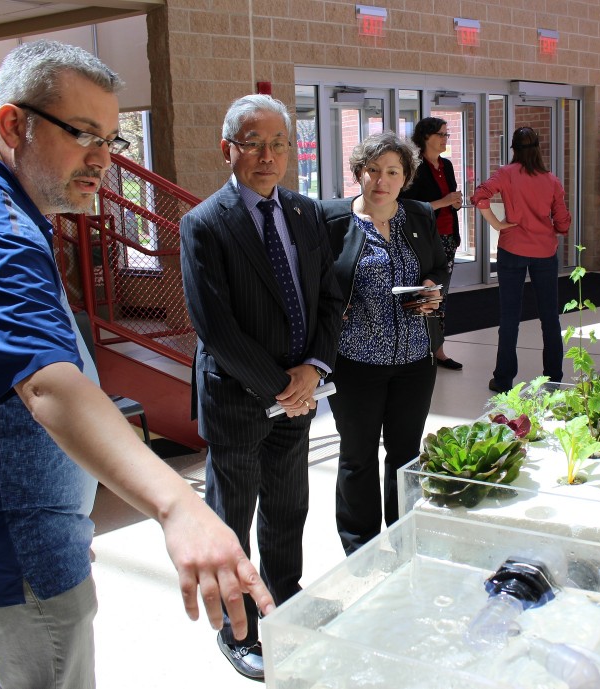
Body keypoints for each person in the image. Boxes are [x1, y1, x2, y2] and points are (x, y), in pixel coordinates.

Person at [0, 41, 275, 689]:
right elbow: (48, 383)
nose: (103, 159)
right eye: (83, 134)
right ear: (13, 124)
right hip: (13, 558)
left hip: (2, 539)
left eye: (112, 139)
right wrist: (174, 505)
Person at [179, 94, 343, 681]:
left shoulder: (305, 214)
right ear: (228, 149)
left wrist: (314, 369)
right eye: (253, 143)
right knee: (232, 518)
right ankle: (236, 626)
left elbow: (329, 298)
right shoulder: (205, 224)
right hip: (240, 400)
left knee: (287, 505)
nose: (268, 156)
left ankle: (287, 597)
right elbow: (215, 326)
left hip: (297, 396)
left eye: (279, 144)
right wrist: (283, 387)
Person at [319, 132, 448, 555]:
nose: (381, 180)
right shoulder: (332, 221)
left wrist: (431, 287)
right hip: (356, 362)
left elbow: (437, 266)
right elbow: (315, 280)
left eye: (392, 171)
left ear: (405, 177)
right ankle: (360, 547)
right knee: (357, 455)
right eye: (372, 170)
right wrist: (332, 308)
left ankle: (405, 534)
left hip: (414, 359)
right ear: (358, 173)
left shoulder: (418, 216)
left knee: (405, 454)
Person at [470, 126, 572, 393]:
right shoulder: (551, 180)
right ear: (538, 148)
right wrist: (558, 228)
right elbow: (562, 221)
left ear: (513, 148)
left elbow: (479, 196)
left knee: (509, 317)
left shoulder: (505, 174)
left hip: (512, 249)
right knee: (550, 317)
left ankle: (503, 380)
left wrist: (498, 225)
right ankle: (553, 377)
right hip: (545, 252)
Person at [401, 117, 464, 370]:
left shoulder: (446, 165)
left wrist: (455, 202)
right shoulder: (415, 167)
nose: (445, 139)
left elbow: (450, 198)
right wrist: (443, 201)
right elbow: (408, 206)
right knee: (426, 293)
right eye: (441, 134)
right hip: (426, 240)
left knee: (441, 296)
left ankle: (437, 349)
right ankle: (427, 349)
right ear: (426, 137)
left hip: (449, 237)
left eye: (447, 135)